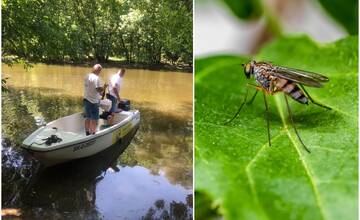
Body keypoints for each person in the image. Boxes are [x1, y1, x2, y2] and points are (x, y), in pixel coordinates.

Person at [83, 64, 107, 135]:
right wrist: (104, 87)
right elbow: (98, 89)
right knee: (95, 120)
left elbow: (90, 88)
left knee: (88, 117)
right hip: (94, 102)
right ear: (98, 70)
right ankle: (93, 133)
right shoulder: (97, 78)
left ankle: (87, 132)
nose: (100, 72)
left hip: (86, 100)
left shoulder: (86, 76)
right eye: (100, 71)